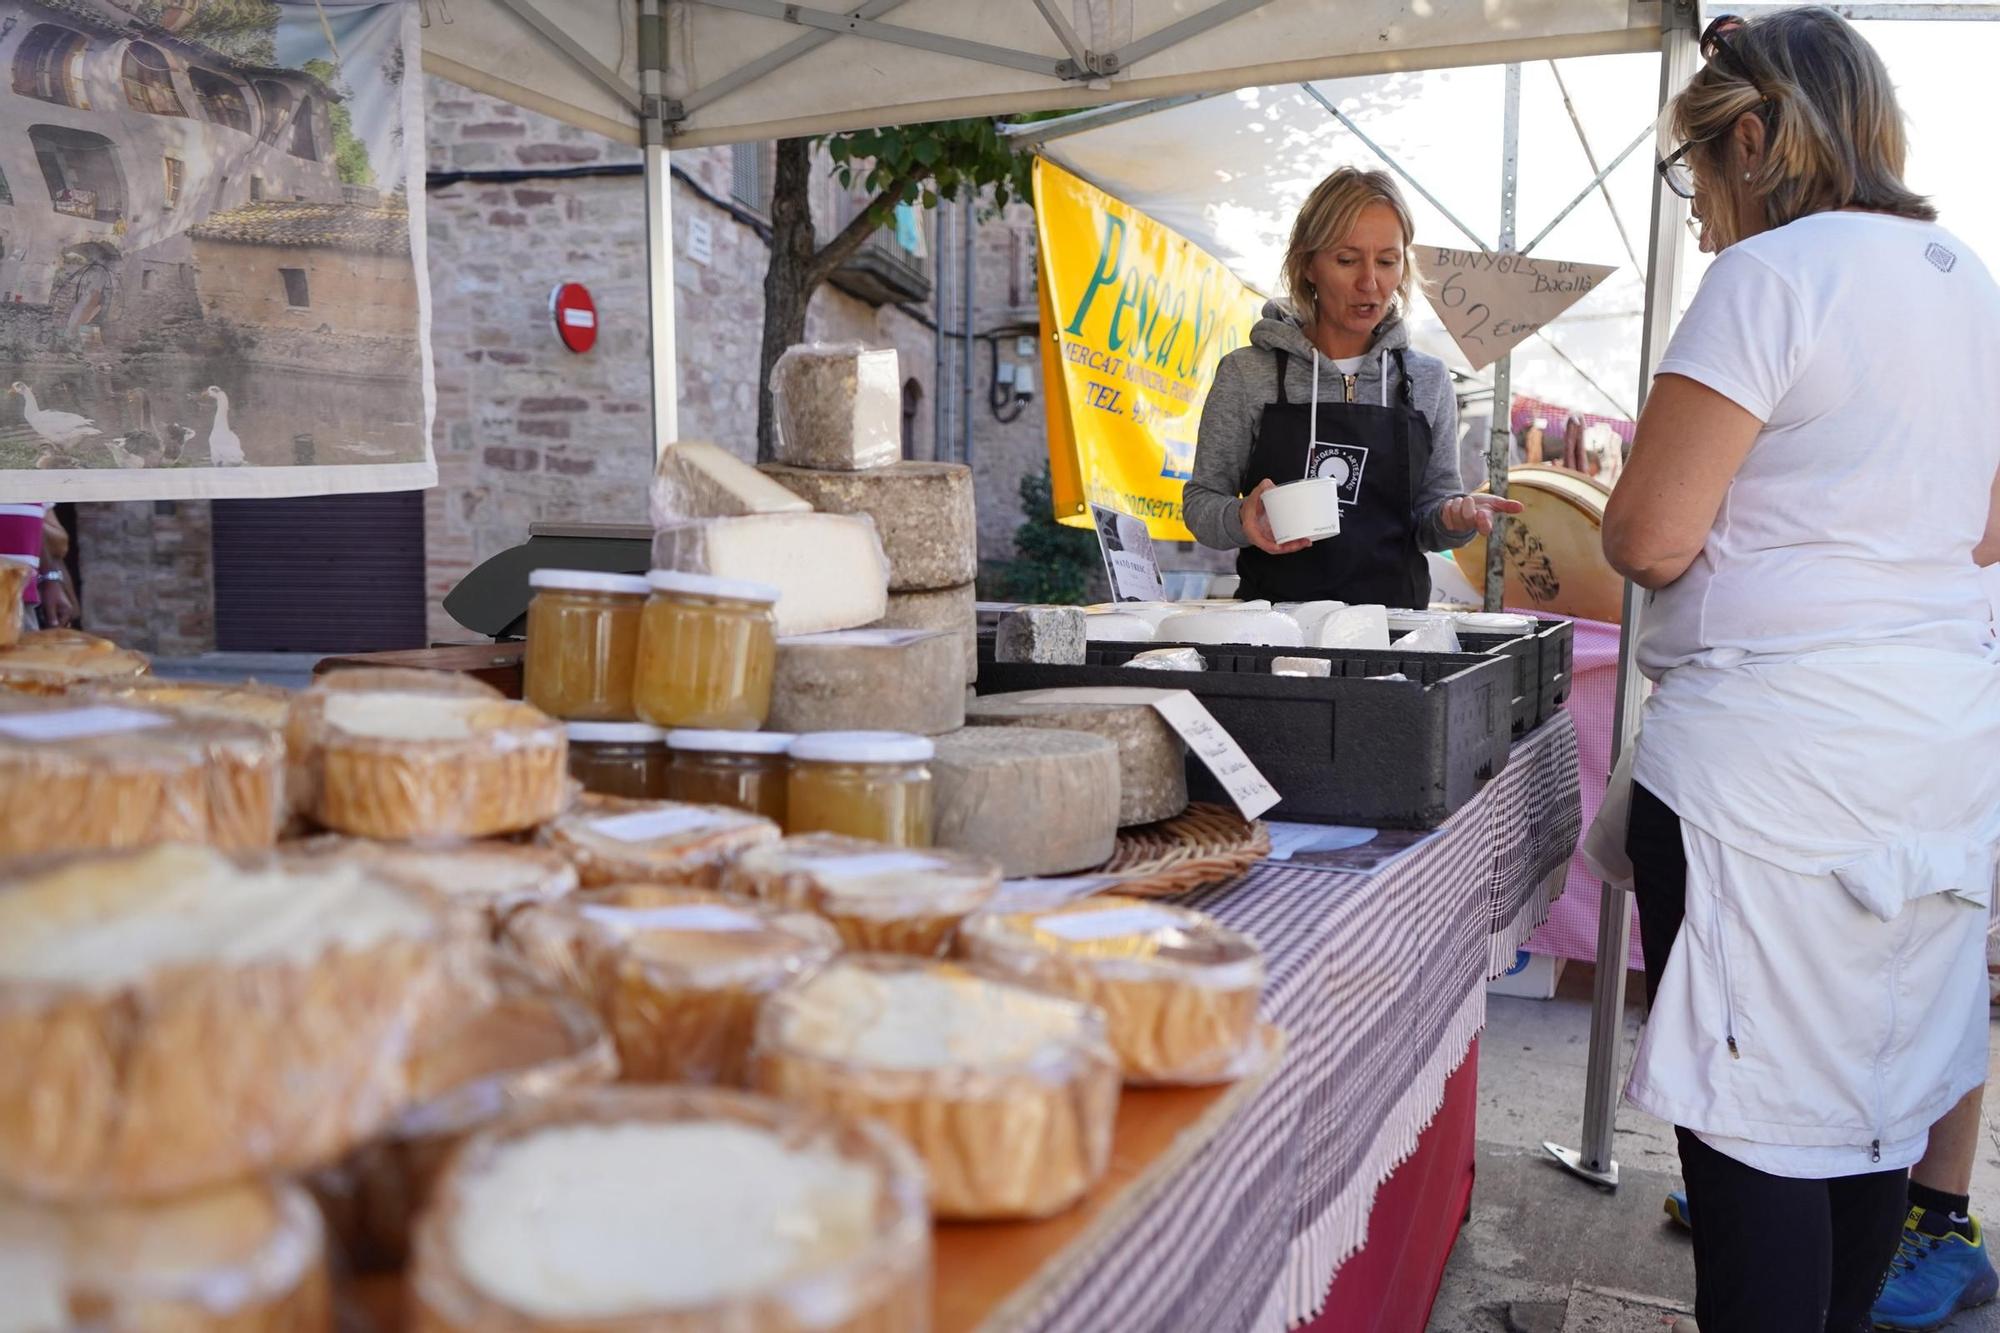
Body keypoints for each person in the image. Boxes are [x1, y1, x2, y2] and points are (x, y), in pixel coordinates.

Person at [1600, 9, 2000, 1329]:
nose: (1701, 213)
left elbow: (1652, 536)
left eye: (1698, 173)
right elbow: (1986, 535)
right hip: (1935, 761)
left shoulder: (1772, 277)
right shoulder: (1971, 284)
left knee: (1757, 1130)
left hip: (1770, 788)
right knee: (1872, 1109)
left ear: (1758, 141)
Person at [1182, 168, 1519, 605]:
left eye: (1387, 261)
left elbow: (1432, 516)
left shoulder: (1426, 380)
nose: (1370, 283)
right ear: (1307, 265)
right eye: (1346, 260)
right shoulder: (1248, 374)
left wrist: (1455, 517)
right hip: (1275, 631)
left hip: (1395, 632)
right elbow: (1201, 502)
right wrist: (1240, 517)